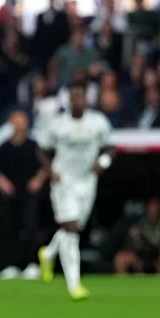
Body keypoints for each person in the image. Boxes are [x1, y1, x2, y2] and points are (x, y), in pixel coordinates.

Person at [37, 83, 114, 300]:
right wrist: (50, 171)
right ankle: (74, 284)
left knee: (74, 228)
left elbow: (110, 147)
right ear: (70, 101)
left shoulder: (98, 122)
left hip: (87, 181)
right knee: (71, 229)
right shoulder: (57, 125)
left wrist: (103, 163)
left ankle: (48, 253)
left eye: (81, 97)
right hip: (64, 181)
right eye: (74, 97)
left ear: (86, 100)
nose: (78, 101)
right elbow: (42, 150)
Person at [0, 110, 46, 273]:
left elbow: (45, 167)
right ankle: (12, 265)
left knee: (30, 227)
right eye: (16, 121)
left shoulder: (33, 146)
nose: (19, 124)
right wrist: (3, 183)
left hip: (30, 193)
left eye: (22, 121)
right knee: (11, 229)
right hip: (12, 194)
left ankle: (32, 264)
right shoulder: (4, 147)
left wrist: (38, 180)